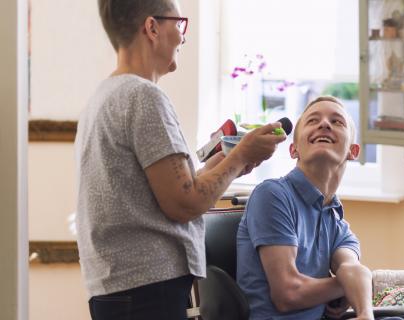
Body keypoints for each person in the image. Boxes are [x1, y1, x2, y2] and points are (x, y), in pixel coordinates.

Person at [75, 0, 286, 319]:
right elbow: (184, 203)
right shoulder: (143, 97)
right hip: (146, 290)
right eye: (180, 24)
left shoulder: (104, 96)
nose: (183, 37)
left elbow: (168, 191)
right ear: (152, 27)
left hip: (119, 288)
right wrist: (241, 154)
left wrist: (233, 163)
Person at [237, 96, 376, 320]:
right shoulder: (272, 195)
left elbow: (354, 269)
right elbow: (288, 294)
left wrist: (365, 313)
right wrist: (348, 285)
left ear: (353, 151)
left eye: (337, 122)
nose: (324, 124)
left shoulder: (336, 221)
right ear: (294, 150)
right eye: (313, 120)